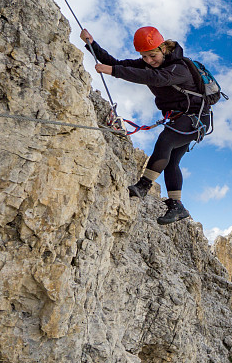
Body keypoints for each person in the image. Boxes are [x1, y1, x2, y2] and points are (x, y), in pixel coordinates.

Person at [80, 26, 211, 225]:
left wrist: (113, 72)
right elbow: (117, 63)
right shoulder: (149, 64)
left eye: (152, 55)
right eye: (144, 57)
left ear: (163, 48)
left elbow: (155, 78)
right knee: (172, 161)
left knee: (165, 141)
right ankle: (177, 206)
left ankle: (143, 185)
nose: (149, 61)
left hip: (196, 118)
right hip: (181, 119)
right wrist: (92, 44)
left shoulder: (179, 68)